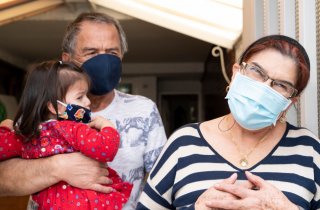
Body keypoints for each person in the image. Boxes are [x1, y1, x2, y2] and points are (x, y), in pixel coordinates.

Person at [0, 12, 166, 210]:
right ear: (67, 59)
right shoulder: (43, 111)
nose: (103, 61)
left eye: (112, 53)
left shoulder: (144, 110)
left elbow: (164, 182)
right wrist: (59, 167)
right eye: (92, 52)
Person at [137, 34, 320, 210]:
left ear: (290, 102)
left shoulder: (309, 149)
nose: (263, 89)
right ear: (236, 73)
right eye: (256, 71)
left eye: (281, 85)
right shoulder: (184, 143)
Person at [0, 60, 132, 209]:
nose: (88, 102)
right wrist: (107, 127)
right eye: (80, 97)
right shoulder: (73, 129)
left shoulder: (28, 135)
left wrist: (6, 130)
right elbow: (106, 149)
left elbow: (2, 148)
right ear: (55, 107)